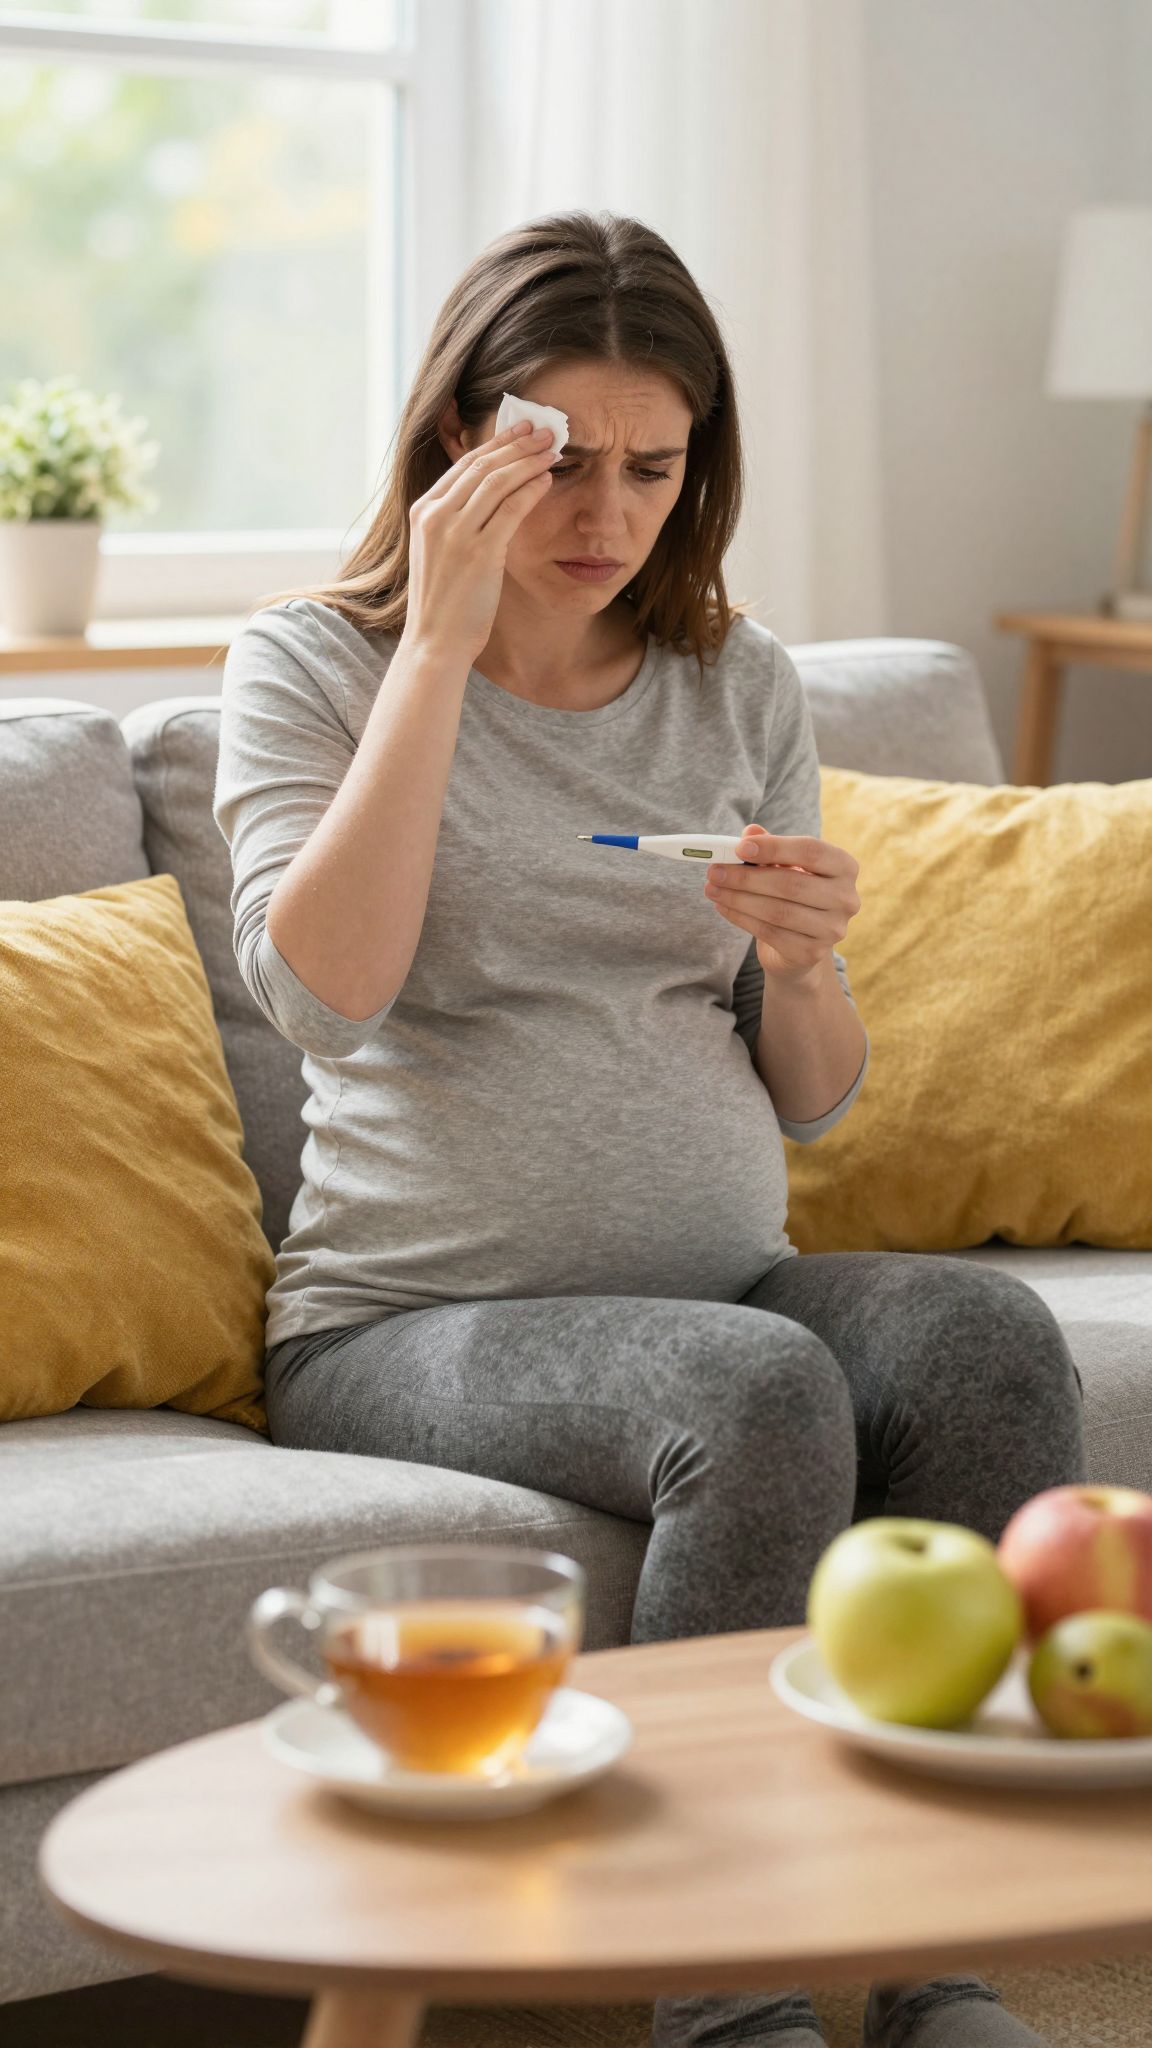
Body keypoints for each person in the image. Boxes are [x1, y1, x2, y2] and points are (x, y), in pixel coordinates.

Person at [213, 210, 1082, 2048]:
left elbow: (815, 1093)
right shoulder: (314, 663)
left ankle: (933, 1964)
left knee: (981, 1337)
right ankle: (728, 2005)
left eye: (653, 467)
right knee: (752, 1387)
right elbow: (324, 999)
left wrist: (808, 961)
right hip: (403, 1323)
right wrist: (441, 649)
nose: (605, 514)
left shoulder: (736, 685)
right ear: (461, 443)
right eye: (557, 460)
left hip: (728, 1266)